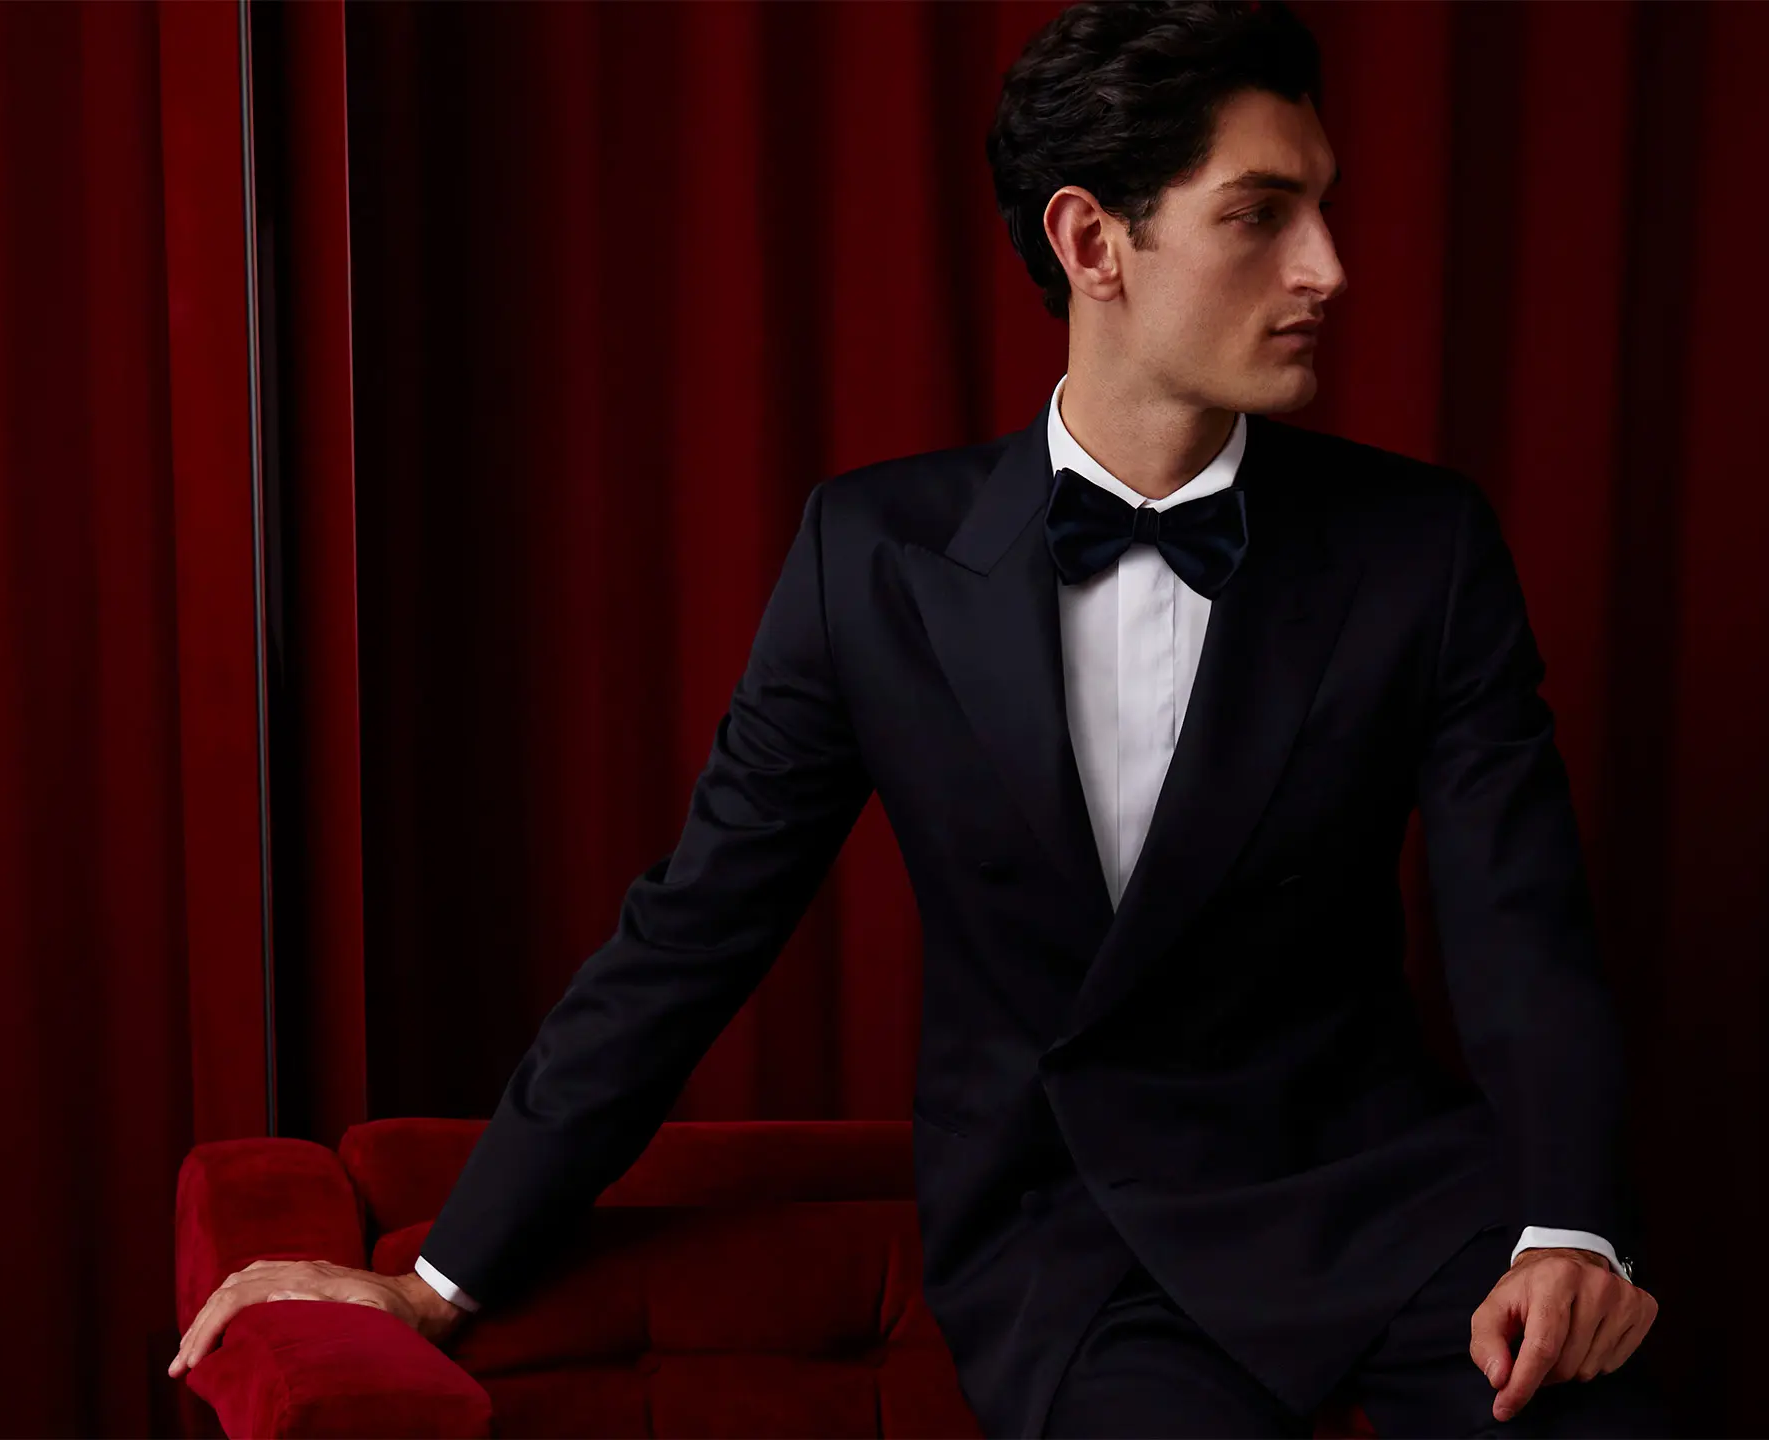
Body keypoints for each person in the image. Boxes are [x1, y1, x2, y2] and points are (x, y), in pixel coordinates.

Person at [172, 3, 1671, 1434]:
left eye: (1325, 206)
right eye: (1262, 213)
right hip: (1069, 1238)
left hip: (1387, 1205)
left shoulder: (1423, 546)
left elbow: (1518, 924)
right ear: (1094, 242)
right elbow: (696, 930)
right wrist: (443, 1276)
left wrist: (1572, 1226)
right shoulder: (869, 559)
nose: (1330, 265)